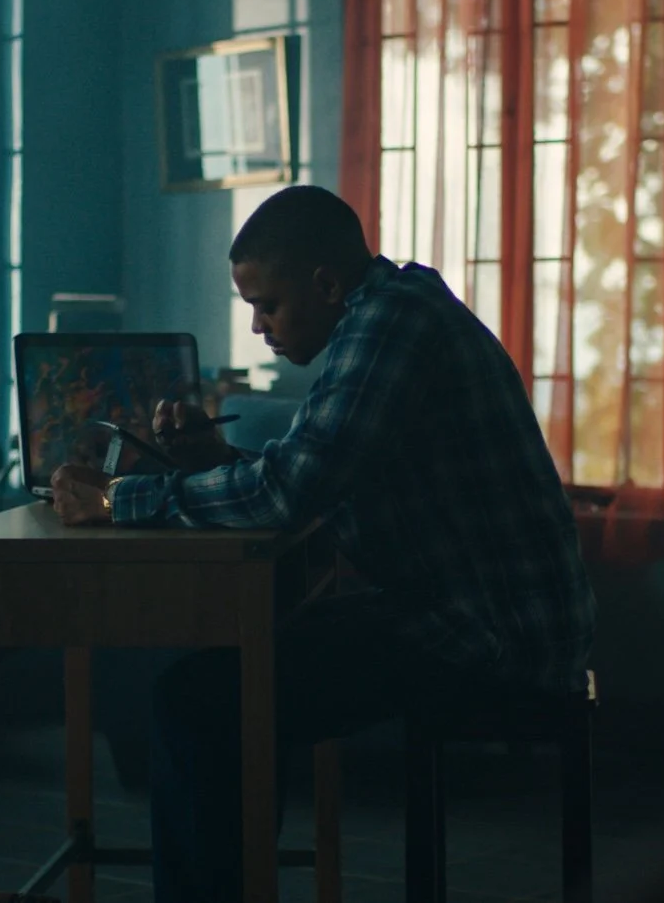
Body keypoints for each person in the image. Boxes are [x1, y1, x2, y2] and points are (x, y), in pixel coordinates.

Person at [50, 184, 596, 902]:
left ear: (327, 285)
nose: (258, 327)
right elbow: (317, 478)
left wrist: (116, 498)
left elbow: (290, 492)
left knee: (198, 700)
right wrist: (216, 462)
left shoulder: (391, 325)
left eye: (267, 305)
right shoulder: (390, 310)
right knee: (242, 670)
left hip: (492, 636)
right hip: (477, 613)